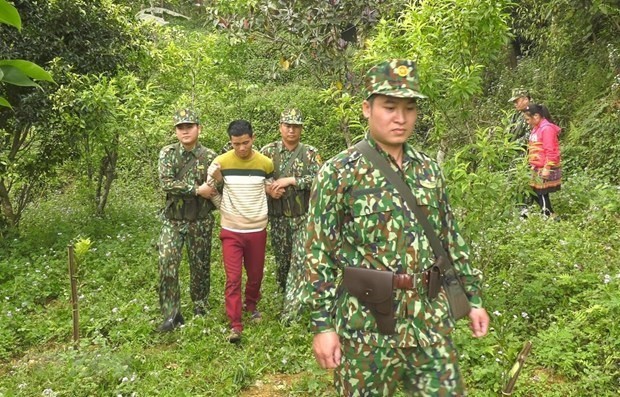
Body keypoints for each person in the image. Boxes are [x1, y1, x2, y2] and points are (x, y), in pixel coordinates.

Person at [303, 59, 490, 396]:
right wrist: (322, 325)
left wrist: (473, 298)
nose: (400, 118)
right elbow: (319, 254)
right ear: (366, 108)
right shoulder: (338, 172)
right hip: (367, 326)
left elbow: (450, 237)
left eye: (409, 108)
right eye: (389, 107)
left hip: (430, 318)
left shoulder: (429, 170)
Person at [205, 120, 274, 343]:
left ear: (253, 139)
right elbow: (210, 190)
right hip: (231, 231)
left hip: (256, 228)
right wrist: (223, 206)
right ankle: (235, 324)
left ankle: (251, 305)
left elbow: (269, 187)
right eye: (236, 144)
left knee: (255, 276)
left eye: (245, 143)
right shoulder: (220, 163)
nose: (242, 148)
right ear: (230, 142)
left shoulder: (265, 163)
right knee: (233, 278)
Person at [156, 108, 218, 332]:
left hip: (200, 220)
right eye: (181, 127)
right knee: (167, 264)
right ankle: (171, 314)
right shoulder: (167, 153)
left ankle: (200, 307)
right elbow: (167, 182)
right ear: (175, 131)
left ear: (198, 129)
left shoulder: (210, 156)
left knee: (200, 266)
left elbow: (215, 185)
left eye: (189, 126)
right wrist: (196, 189)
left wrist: (210, 189)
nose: (185, 131)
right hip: (173, 220)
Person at [260, 109, 322, 299]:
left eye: (296, 126)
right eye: (288, 126)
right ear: (280, 127)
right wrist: (269, 189)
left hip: (302, 216)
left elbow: (321, 180)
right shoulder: (267, 152)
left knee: (300, 258)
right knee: (282, 259)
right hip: (278, 217)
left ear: (301, 129)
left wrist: (293, 181)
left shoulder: (310, 153)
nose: (291, 130)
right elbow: (255, 178)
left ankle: (296, 300)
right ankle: (283, 292)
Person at [523, 103, 562, 217]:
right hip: (536, 166)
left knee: (541, 192)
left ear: (536, 116)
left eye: (527, 119)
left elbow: (551, 149)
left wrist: (547, 167)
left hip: (544, 166)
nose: (527, 122)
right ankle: (550, 214)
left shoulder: (547, 129)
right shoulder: (536, 128)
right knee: (534, 191)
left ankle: (547, 215)